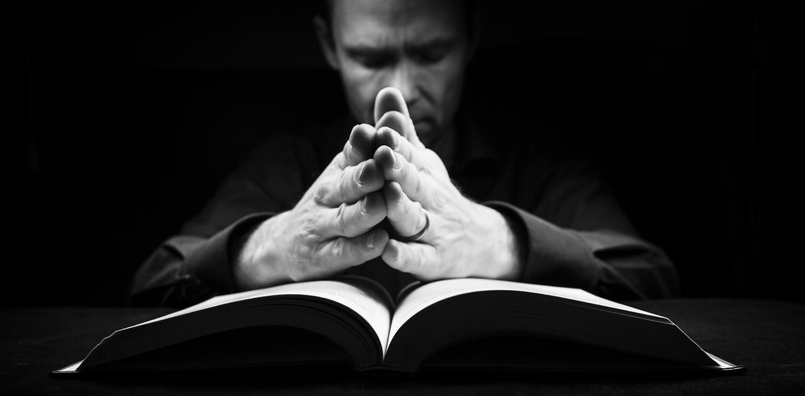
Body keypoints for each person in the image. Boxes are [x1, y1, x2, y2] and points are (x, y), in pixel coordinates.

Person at [128, 0, 680, 308]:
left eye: (430, 52)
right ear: (328, 46)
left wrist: (503, 244)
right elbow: (155, 280)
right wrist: (270, 249)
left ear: (472, 36)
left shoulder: (538, 159)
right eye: (368, 57)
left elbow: (649, 272)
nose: (401, 89)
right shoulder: (289, 163)